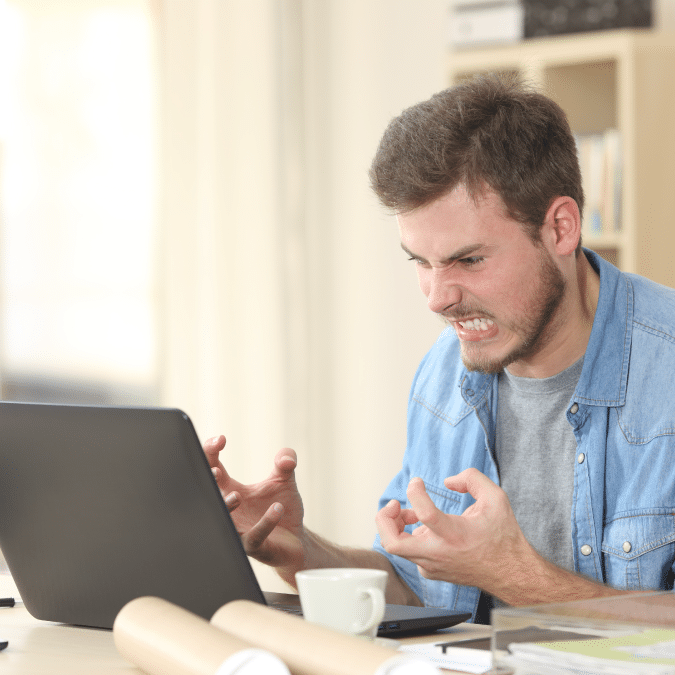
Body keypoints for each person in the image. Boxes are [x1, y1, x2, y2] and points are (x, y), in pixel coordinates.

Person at [204, 73, 675, 623]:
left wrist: (512, 575)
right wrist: (302, 552)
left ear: (561, 228)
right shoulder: (444, 371)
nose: (437, 298)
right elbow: (417, 588)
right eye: (420, 263)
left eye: (468, 260)